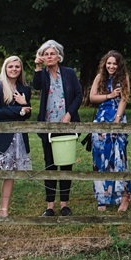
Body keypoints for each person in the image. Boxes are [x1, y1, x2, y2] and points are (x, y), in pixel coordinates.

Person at [32, 40, 83, 217]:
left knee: (66, 165)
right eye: (45, 54)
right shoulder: (42, 74)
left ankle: (64, 204)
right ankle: (50, 206)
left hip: (66, 123)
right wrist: (38, 68)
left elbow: (78, 95)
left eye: (52, 54)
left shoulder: (69, 73)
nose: (49, 57)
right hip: (48, 125)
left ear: (58, 56)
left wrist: (69, 113)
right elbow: (36, 86)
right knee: (50, 164)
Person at [0, 56, 33, 221]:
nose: (14, 69)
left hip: (18, 137)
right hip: (1, 136)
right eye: (11, 66)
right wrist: (20, 109)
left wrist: (24, 103)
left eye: (17, 67)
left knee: (10, 174)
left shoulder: (24, 89)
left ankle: (3, 210)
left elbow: (28, 113)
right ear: (5, 68)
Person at [87, 50, 131, 212]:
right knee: (100, 158)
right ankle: (102, 197)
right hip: (101, 120)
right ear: (105, 64)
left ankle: (123, 197)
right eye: (109, 63)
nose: (111, 66)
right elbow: (92, 97)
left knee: (119, 157)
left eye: (114, 63)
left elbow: (124, 99)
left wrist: (117, 120)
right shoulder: (100, 77)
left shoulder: (123, 77)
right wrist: (109, 96)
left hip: (117, 119)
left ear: (119, 65)